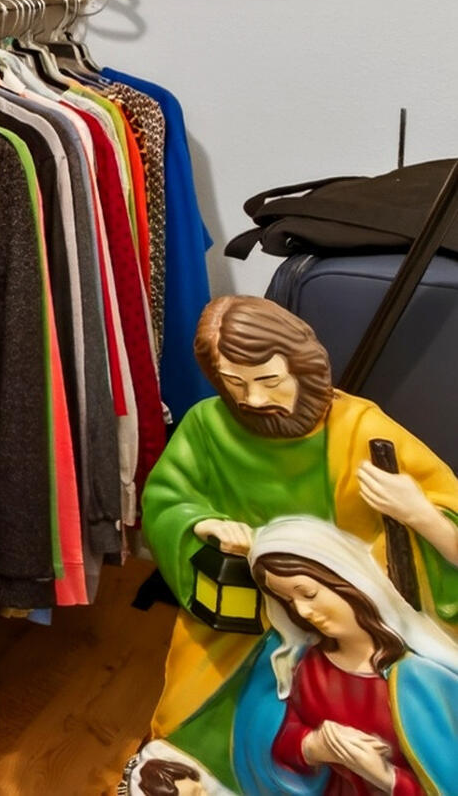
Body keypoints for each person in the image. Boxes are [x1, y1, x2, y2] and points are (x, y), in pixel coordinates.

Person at [142, 299, 458, 787]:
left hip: (357, 623)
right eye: (233, 382)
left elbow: (446, 520)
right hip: (244, 617)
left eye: (269, 380)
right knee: (193, 725)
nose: (252, 399)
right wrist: (200, 524)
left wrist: (418, 514)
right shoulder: (207, 425)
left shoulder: (358, 428)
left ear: (303, 367)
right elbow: (166, 500)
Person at [228, 517, 458, 796]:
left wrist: (385, 776)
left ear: (346, 579)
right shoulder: (306, 666)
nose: (302, 611)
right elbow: (275, 739)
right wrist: (314, 746)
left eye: (308, 594)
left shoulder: (420, 677)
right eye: (288, 600)